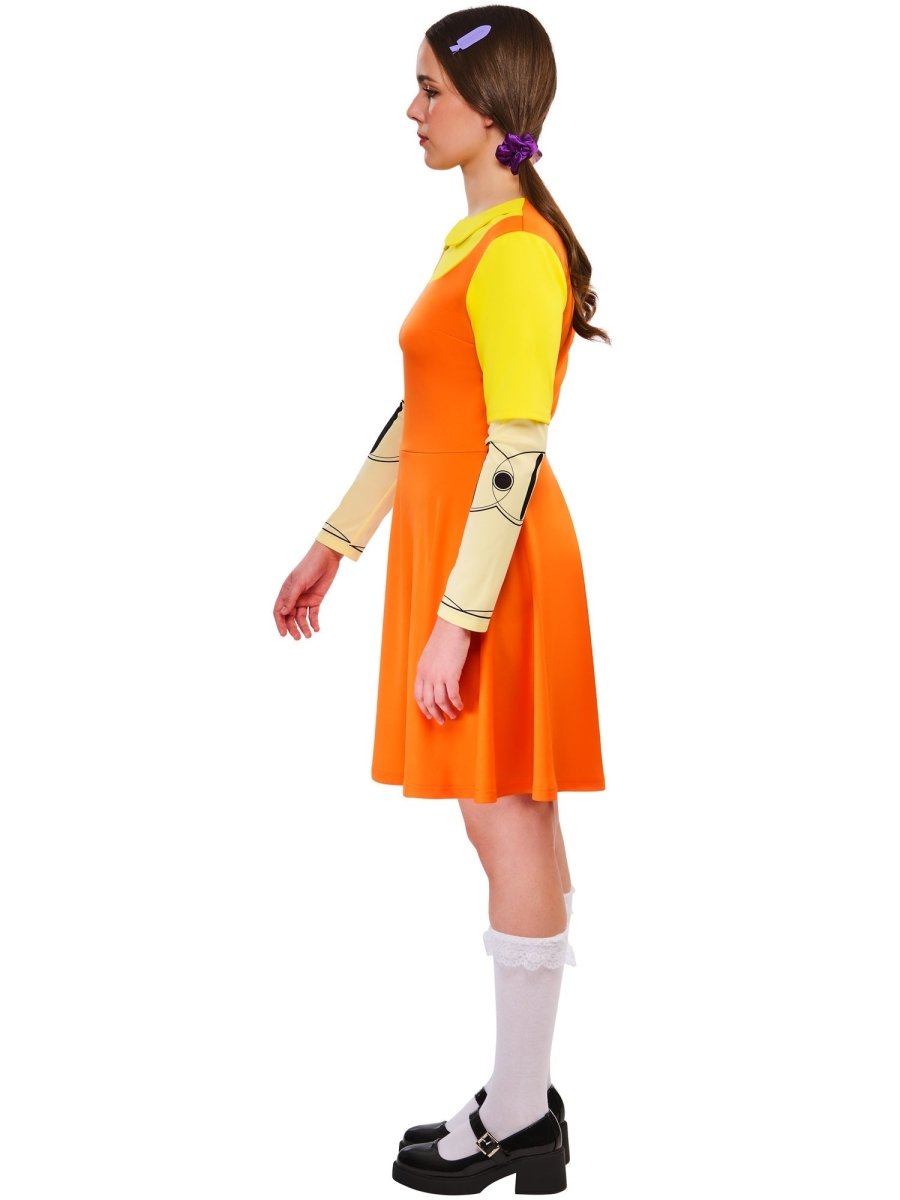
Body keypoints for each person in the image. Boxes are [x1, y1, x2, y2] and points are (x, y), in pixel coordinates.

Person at [273, 6, 609, 1193]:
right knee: (503, 813)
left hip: (493, 566)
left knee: (504, 813)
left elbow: (512, 444)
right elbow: (426, 413)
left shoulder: (515, 251)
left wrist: (457, 625)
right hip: (462, 550)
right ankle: (524, 1103)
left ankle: (520, 1113)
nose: (411, 111)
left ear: (490, 105)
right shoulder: (473, 244)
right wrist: (336, 543)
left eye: (430, 90)